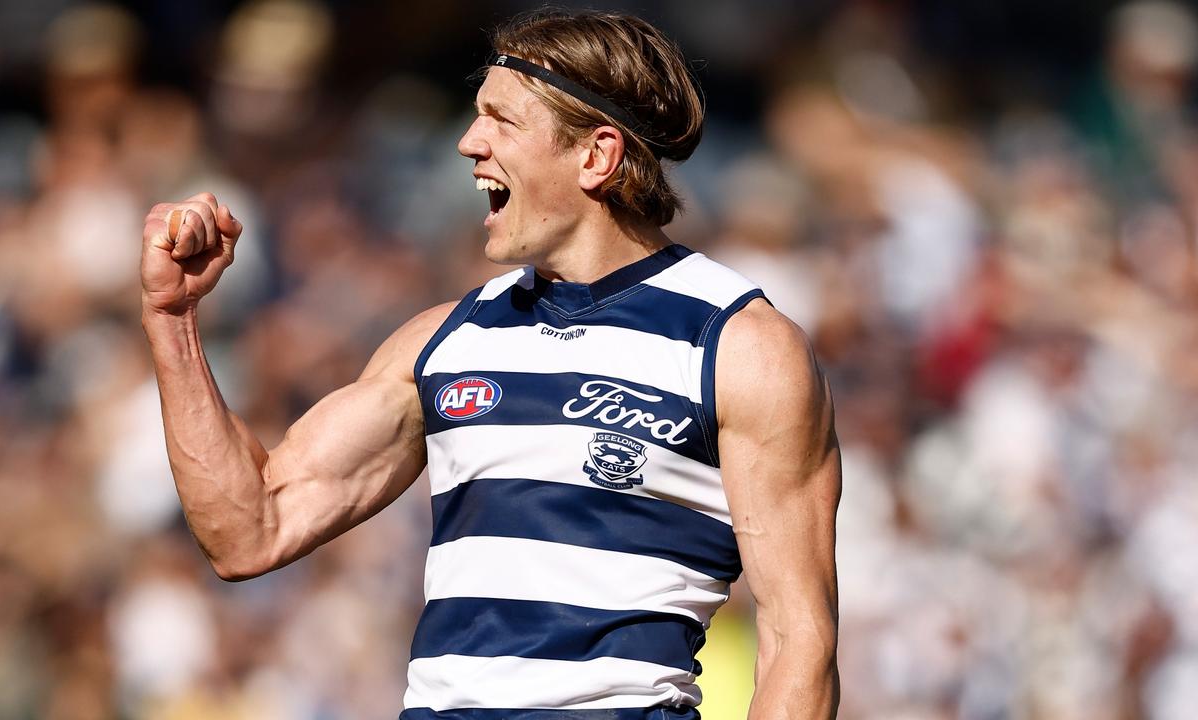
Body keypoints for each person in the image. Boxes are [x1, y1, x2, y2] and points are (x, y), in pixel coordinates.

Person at [139, 9, 840, 719]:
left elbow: (797, 643)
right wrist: (173, 324)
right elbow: (250, 530)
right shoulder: (444, 339)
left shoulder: (738, 345)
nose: (469, 143)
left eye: (500, 121)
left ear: (595, 156)